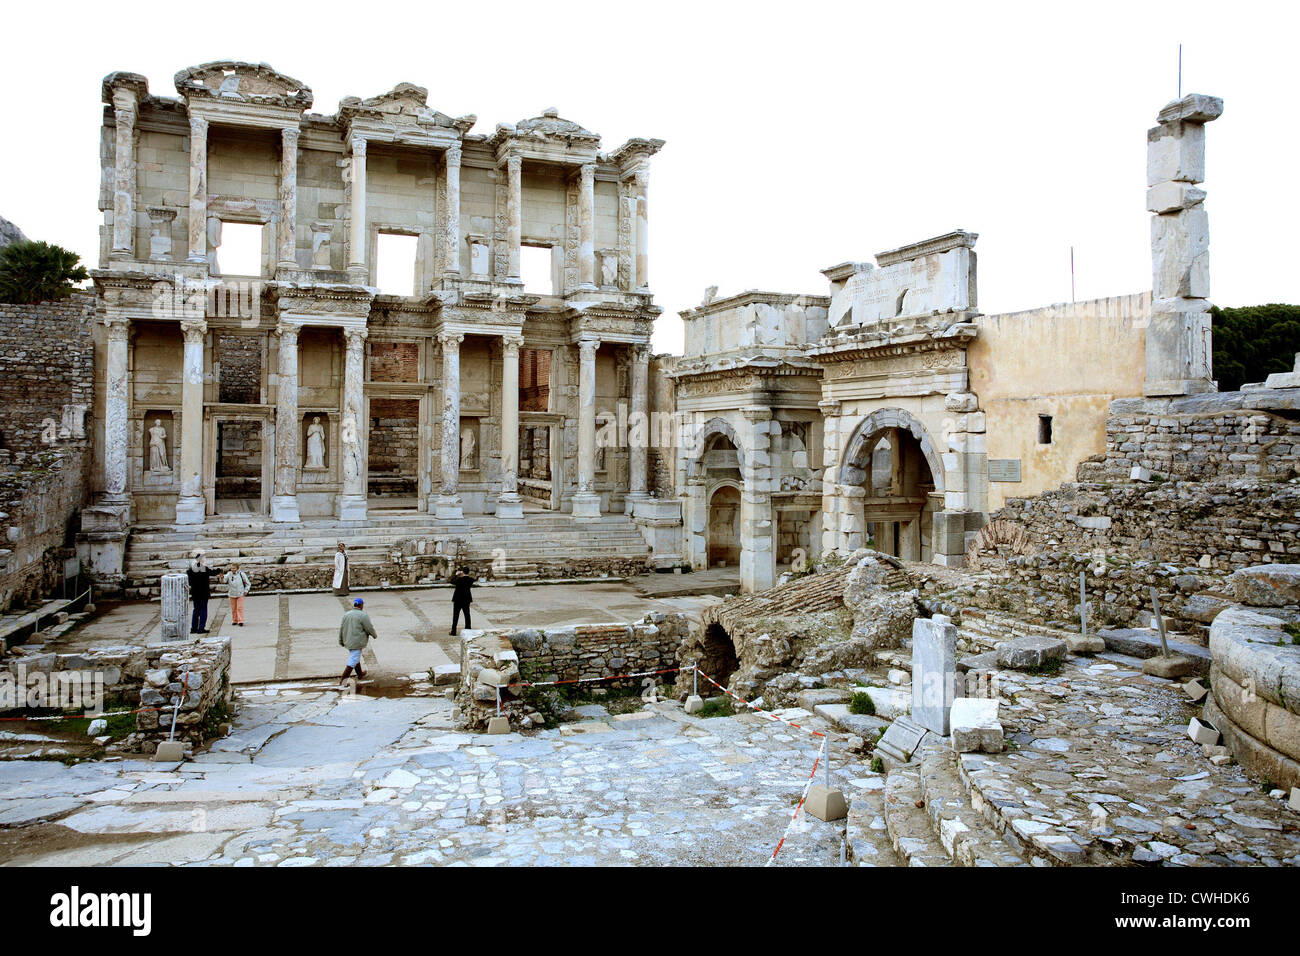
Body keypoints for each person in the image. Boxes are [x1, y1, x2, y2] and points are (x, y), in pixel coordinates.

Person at [338, 597, 377, 685]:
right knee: (354, 658)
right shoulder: (363, 615)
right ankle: (343, 679)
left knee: (355, 656)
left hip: (348, 640)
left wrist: (341, 640)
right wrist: (374, 635)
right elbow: (369, 627)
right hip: (357, 641)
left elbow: (341, 628)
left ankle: (360, 674)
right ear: (361, 605)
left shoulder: (347, 614)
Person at [186, 550, 218, 634]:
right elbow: (213, 573)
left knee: (196, 610)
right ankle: (201, 628)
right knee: (203, 610)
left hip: (195, 592)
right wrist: (219, 570)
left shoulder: (190, 570)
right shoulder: (204, 569)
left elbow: (189, 582)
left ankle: (193, 628)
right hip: (203, 592)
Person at [449, 567, 476, 636]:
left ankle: (453, 631)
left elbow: (451, 581)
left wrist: (456, 575)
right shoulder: (470, 580)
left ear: (462, 572)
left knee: (456, 615)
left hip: (458, 599)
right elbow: (473, 579)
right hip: (466, 599)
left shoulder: (459, 579)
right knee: (467, 615)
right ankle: (468, 629)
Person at [223, 562, 251, 627]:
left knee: (239, 608)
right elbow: (224, 580)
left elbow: (248, 583)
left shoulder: (242, 574)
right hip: (232, 594)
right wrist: (221, 577)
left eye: (234, 568)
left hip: (240, 593)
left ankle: (241, 621)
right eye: (231, 568)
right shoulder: (229, 574)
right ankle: (235, 620)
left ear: (237, 568)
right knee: (233, 608)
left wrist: (246, 590)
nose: (232, 569)